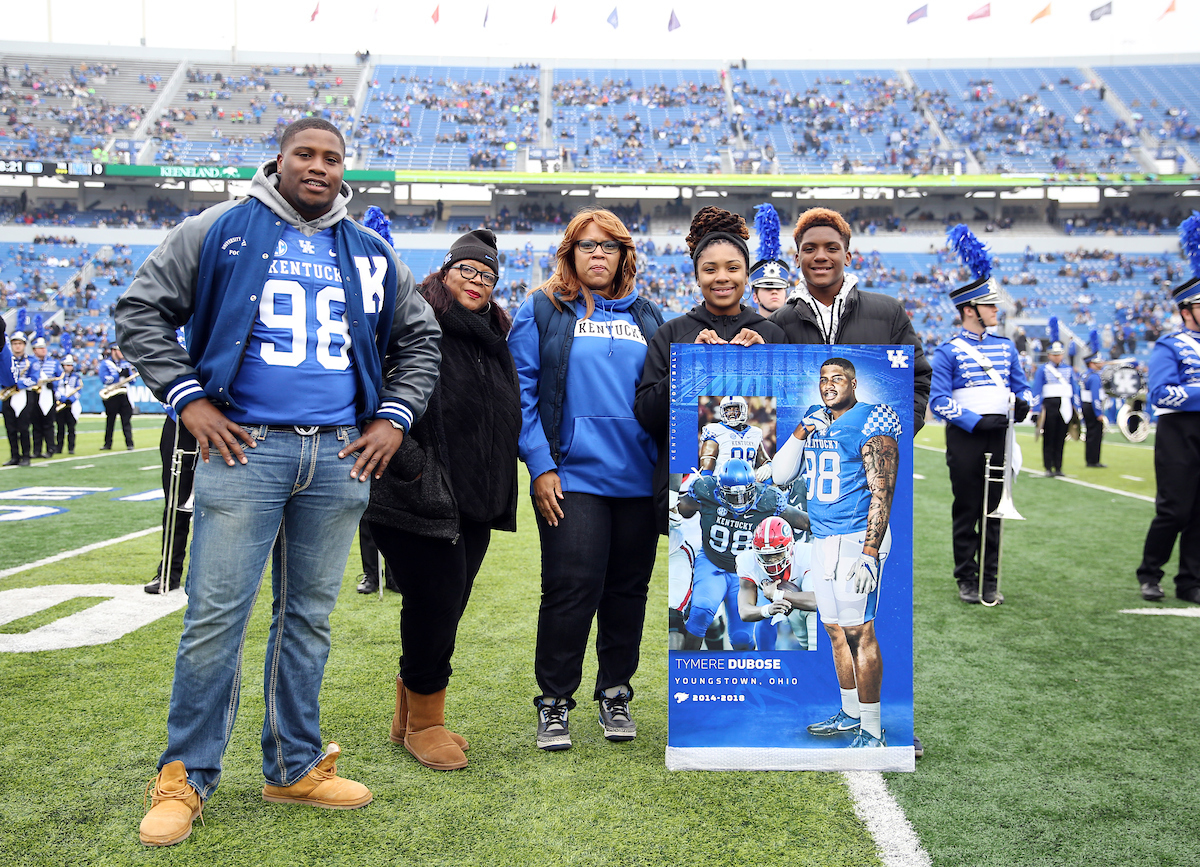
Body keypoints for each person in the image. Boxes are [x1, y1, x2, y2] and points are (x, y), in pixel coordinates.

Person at [115, 117, 441, 846]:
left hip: (338, 453)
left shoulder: (371, 250)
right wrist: (189, 398)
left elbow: (420, 336)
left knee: (308, 620)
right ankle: (185, 775)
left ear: (344, 168)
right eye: (306, 154)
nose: (319, 167)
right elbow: (140, 311)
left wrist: (392, 416)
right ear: (280, 160)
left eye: (332, 157)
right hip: (244, 447)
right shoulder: (220, 227)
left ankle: (294, 764)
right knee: (215, 617)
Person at [365, 226, 520, 771]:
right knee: (434, 600)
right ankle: (426, 724)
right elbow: (375, 390)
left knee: (447, 603)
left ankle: (410, 715)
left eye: (488, 275)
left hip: (475, 496)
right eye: (468, 270)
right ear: (446, 270)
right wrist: (414, 466)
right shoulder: (412, 318)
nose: (477, 281)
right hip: (416, 491)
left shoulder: (495, 333)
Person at [508, 207, 663, 752]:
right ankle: (554, 702)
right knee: (571, 590)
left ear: (623, 255)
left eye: (609, 245)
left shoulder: (649, 316)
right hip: (572, 477)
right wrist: (541, 465)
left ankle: (615, 692)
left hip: (639, 481)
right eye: (587, 245)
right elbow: (521, 395)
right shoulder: (544, 310)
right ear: (570, 253)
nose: (598, 254)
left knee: (628, 592)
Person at [772, 357, 900, 748]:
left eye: (837, 378)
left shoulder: (874, 418)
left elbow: (882, 491)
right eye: (824, 379)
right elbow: (780, 475)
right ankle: (849, 713)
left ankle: (872, 729)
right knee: (834, 629)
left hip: (857, 536)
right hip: (823, 538)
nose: (829, 385)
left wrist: (869, 552)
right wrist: (801, 431)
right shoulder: (816, 417)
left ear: (854, 382)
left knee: (859, 631)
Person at [635, 206, 785, 532]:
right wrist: (687, 367)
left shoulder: (771, 335)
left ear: (747, 275)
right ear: (697, 275)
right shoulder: (672, 334)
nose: (721, 277)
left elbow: (788, 420)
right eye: (710, 269)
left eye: (733, 268)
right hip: (690, 496)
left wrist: (768, 362)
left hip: (758, 495)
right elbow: (647, 415)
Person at [769, 207, 930, 435]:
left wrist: (899, 432)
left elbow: (918, 376)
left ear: (847, 257)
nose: (821, 256)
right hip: (805, 460)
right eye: (810, 249)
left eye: (832, 248)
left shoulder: (889, 312)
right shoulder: (777, 323)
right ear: (797, 258)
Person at [929, 271, 1031, 605]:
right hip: (966, 437)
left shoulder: (1006, 348)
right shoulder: (948, 352)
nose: (996, 310)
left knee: (994, 511)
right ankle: (966, 579)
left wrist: (1027, 402)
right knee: (968, 508)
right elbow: (940, 400)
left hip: (1000, 433)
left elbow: (1022, 386)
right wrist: (976, 422)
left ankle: (990, 579)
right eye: (989, 305)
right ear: (970, 309)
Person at [677, 460, 809, 650]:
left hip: (746, 572)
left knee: (741, 638)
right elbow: (684, 509)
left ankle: (744, 677)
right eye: (732, 495)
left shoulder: (768, 500)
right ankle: (685, 670)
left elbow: (805, 522)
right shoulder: (706, 489)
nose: (739, 500)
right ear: (720, 490)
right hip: (712, 562)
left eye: (744, 494)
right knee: (701, 612)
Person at [1135, 266, 1200, 604]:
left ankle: (1190, 581)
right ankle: (1150, 573)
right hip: (1180, 430)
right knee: (1174, 509)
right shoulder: (1170, 345)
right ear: (1186, 310)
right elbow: (1160, 392)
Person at [735, 515, 817, 652]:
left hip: (807, 608)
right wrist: (768, 610)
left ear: (790, 548)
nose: (772, 561)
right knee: (763, 626)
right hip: (780, 606)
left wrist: (777, 594)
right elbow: (744, 611)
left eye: (777, 554)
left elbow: (816, 602)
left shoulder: (807, 554)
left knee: (814, 639)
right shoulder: (747, 562)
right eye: (765, 556)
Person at [1031, 341, 1080, 477]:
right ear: (1049, 355)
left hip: (1065, 405)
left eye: (1059, 354)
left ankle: (1058, 466)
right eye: (1054, 354)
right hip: (1050, 405)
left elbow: (1074, 389)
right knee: (1049, 436)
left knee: (1061, 437)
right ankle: (1048, 466)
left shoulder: (1068, 370)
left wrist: (1077, 407)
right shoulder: (1043, 369)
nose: (1057, 357)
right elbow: (1037, 390)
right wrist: (1036, 410)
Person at [749, 202, 792, 315]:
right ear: (755, 297)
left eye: (779, 288)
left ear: (786, 296)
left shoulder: (799, 332)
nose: (774, 292)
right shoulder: (745, 332)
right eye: (767, 288)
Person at [3, 331, 34, 467]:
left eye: (19, 344)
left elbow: (34, 379)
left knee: (23, 428)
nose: (17, 346)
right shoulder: (5, 360)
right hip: (8, 395)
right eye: (14, 343)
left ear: (24, 345)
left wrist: (17, 383)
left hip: (23, 395)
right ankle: (14, 456)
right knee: (10, 428)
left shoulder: (31, 361)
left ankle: (26, 455)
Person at [99, 344, 137, 451]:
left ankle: (129, 443)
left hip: (124, 394)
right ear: (113, 351)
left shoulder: (126, 364)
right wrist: (118, 375)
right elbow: (104, 380)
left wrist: (128, 373)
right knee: (110, 421)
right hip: (112, 395)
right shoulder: (106, 364)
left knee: (126, 421)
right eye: (119, 351)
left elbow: (133, 381)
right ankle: (107, 444)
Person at [29, 337, 60, 458]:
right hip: (33, 394)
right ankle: (36, 450)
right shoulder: (30, 361)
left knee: (48, 424)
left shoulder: (53, 362)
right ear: (34, 350)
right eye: (40, 348)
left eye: (44, 348)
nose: (43, 350)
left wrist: (54, 384)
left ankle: (50, 448)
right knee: (36, 424)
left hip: (48, 394)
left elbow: (59, 377)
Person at [1081, 351, 1107, 468]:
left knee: (1091, 433)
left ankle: (1091, 459)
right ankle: (1093, 460)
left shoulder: (1086, 375)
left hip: (1086, 405)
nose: (1101, 363)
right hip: (1092, 406)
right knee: (1095, 434)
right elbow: (1095, 396)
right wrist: (1099, 413)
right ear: (1091, 364)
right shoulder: (1095, 377)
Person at [54, 355, 83, 455]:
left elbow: (79, 390)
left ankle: (71, 448)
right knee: (60, 428)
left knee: (71, 428)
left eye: (70, 365)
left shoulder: (76, 376)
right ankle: (59, 447)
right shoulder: (58, 376)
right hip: (60, 405)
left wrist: (72, 399)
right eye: (67, 365)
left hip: (71, 406)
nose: (69, 367)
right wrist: (61, 398)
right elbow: (55, 389)